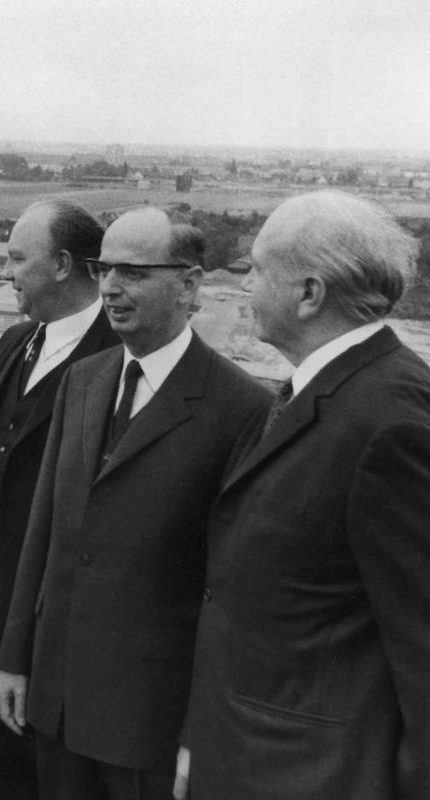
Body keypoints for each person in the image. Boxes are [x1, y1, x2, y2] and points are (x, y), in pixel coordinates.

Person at [0, 207, 270, 799]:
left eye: (134, 273)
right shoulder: (85, 380)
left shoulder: (242, 408)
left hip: (149, 725)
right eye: (104, 268)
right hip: (55, 702)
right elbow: (43, 533)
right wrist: (14, 659)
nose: (111, 287)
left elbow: (231, 593)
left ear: (190, 285)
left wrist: (201, 730)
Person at [176, 191, 430, 800]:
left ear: (309, 293)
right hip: (244, 760)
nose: (243, 286)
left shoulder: (391, 421)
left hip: (315, 777)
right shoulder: (317, 393)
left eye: (257, 270)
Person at [0, 200, 117, 800]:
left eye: (16, 258)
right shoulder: (17, 341)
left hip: (58, 604)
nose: (6, 271)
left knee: (52, 766)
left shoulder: (117, 355)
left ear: (63, 264)